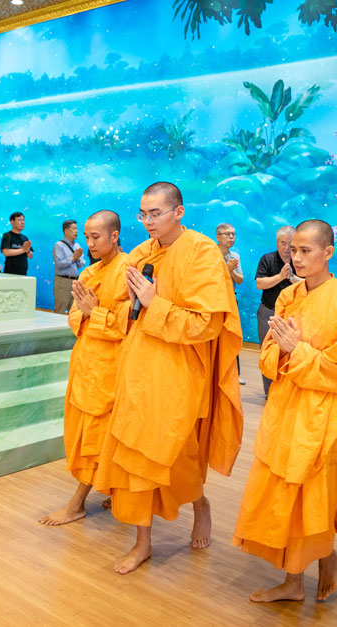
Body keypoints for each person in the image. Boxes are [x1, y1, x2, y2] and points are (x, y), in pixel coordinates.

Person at [232, 219, 337, 603]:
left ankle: (312, 564)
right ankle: (299, 576)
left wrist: (299, 351)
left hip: (325, 418)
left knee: (313, 497)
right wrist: (286, 352)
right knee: (283, 495)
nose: (298, 258)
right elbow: (269, 355)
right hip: (286, 410)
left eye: (307, 251)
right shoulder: (289, 297)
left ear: (329, 252)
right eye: (294, 250)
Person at [93, 181, 243, 575]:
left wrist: (155, 303)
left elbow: (206, 325)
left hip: (178, 372)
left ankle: (200, 504)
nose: (148, 222)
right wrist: (130, 305)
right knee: (135, 457)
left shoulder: (202, 253)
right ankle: (142, 542)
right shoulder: (141, 254)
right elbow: (124, 310)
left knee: (179, 453)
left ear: (178, 211)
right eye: (143, 214)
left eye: (155, 213)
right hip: (138, 367)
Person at [39, 210, 128, 526]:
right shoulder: (89, 273)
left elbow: (127, 326)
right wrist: (87, 313)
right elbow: (74, 318)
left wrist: (96, 312)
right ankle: (117, 489)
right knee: (89, 433)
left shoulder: (127, 270)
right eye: (87, 236)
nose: (88, 243)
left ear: (114, 236)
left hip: (111, 369)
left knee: (98, 435)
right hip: (85, 363)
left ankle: (77, 503)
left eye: (95, 237)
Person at [254, 226, 301, 394]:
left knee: (290, 353)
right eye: (283, 243)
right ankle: (269, 391)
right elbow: (260, 283)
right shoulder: (267, 259)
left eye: (290, 243)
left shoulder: (300, 260)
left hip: (293, 316)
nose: (287, 247)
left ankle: (286, 391)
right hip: (268, 311)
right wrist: (281, 276)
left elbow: (308, 284)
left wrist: (292, 278)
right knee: (267, 351)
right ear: (277, 243)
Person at [216, 223, 245, 385]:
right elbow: (212, 278)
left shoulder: (235, 256)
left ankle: (235, 373)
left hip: (231, 297)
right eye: (227, 234)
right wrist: (226, 269)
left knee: (232, 333)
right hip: (215, 298)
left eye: (233, 234)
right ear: (218, 237)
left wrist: (231, 270)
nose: (231, 237)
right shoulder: (211, 254)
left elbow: (240, 280)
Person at [52, 219, 86, 314]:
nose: (77, 231)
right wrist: (73, 257)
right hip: (62, 282)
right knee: (60, 309)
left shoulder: (77, 245)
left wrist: (78, 258)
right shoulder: (59, 245)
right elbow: (59, 264)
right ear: (66, 230)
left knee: (74, 311)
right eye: (74, 228)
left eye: (77, 229)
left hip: (75, 281)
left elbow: (82, 264)